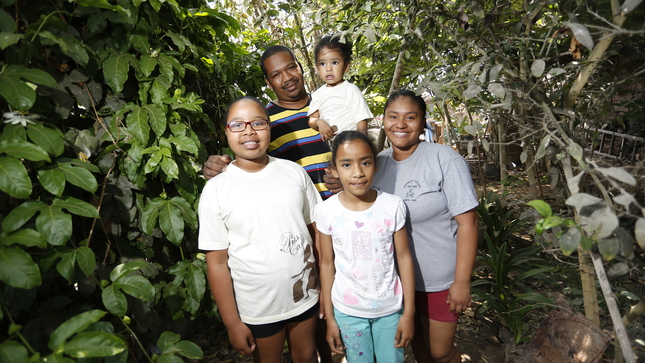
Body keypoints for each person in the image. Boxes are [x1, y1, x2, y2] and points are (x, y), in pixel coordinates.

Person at [327, 90, 479, 363]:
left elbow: (468, 223)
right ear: (383, 120)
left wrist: (462, 282)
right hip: (393, 282)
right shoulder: (377, 162)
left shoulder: (444, 159)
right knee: (417, 346)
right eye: (393, 116)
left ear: (422, 122)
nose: (400, 124)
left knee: (440, 352)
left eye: (411, 117)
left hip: (440, 280)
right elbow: (358, 194)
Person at [199, 97, 321, 363]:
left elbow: (317, 232)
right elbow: (217, 262)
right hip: (258, 305)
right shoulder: (216, 190)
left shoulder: (294, 173)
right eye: (237, 124)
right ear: (226, 132)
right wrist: (232, 323)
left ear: (269, 126)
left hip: (306, 295)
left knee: (307, 356)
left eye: (258, 122)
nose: (249, 131)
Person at [315, 131, 415, 362]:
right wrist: (330, 318)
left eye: (365, 162)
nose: (358, 173)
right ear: (334, 169)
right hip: (348, 312)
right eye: (346, 164)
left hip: (390, 310)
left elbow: (405, 258)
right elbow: (327, 263)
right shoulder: (326, 211)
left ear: (376, 165)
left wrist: (408, 312)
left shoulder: (392, 206)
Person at [204, 45, 333, 200]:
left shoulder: (328, 103)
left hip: (350, 207)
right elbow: (247, 165)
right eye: (276, 74)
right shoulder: (263, 122)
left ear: (300, 67)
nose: (287, 78)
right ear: (269, 83)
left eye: (291, 67)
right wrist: (218, 166)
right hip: (302, 217)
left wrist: (346, 179)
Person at [307, 35, 373, 142]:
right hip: (333, 150)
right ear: (317, 68)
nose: (328, 68)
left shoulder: (350, 90)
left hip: (352, 145)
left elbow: (362, 122)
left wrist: (361, 144)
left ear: (346, 66)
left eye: (335, 63)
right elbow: (312, 119)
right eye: (323, 63)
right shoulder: (318, 94)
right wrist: (319, 122)